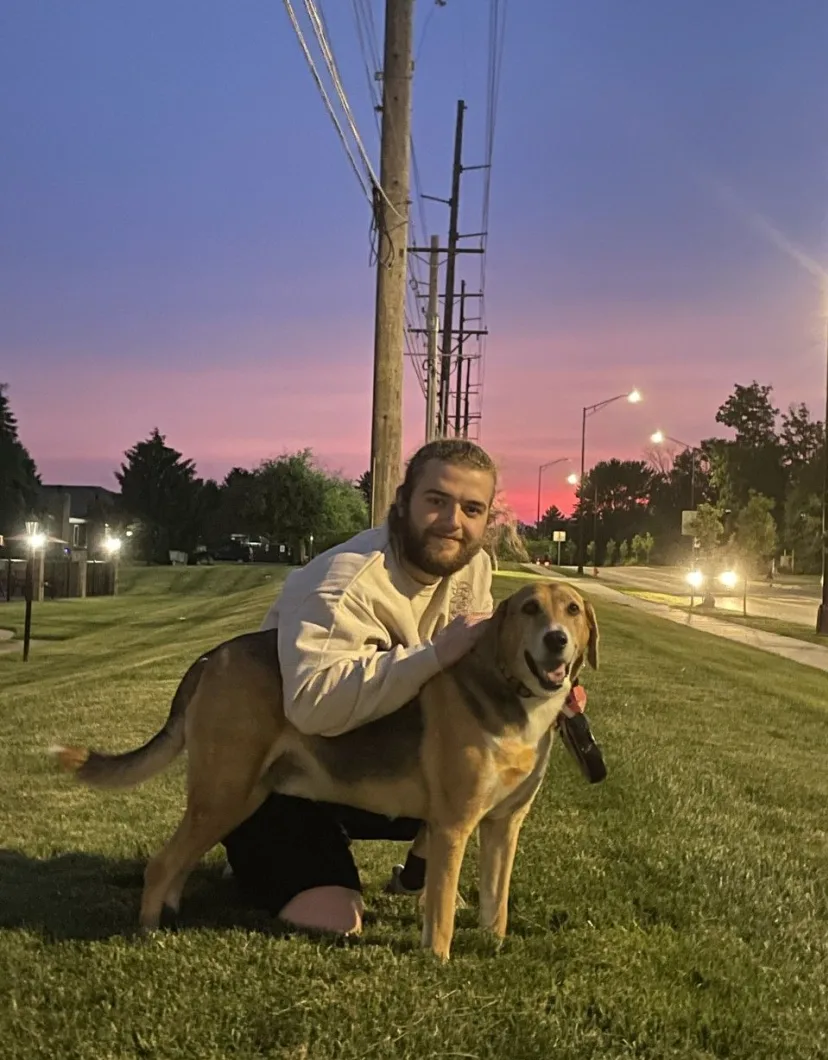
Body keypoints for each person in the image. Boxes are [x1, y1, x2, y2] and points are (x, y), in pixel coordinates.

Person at [221, 438, 497, 935]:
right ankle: (251, 848)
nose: (453, 521)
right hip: (284, 773)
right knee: (336, 920)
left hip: (370, 764)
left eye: (471, 509)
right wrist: (433, 655)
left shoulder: (471, 567)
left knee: (480, 775)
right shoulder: (346, 581)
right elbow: (309, 705)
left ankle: (414, 876)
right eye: (436, 500)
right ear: (402, 500)